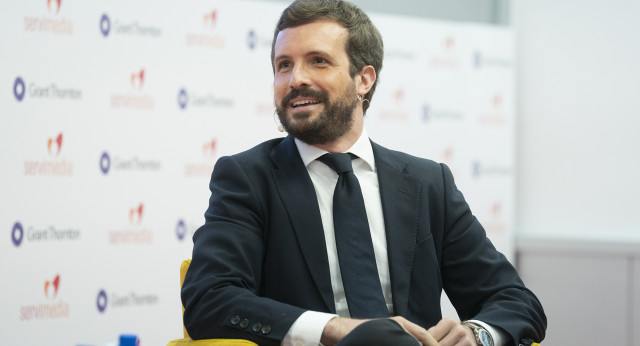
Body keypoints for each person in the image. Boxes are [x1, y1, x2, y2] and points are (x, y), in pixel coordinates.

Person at [181, 0, 546, 345]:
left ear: (364, 80)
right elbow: (209, 298)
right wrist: (337, 330)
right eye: (284, 65)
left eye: (318, 61)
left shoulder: (427, 183)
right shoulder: (248, 178)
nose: (295, 79)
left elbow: (514, 300)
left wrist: (476, 334)